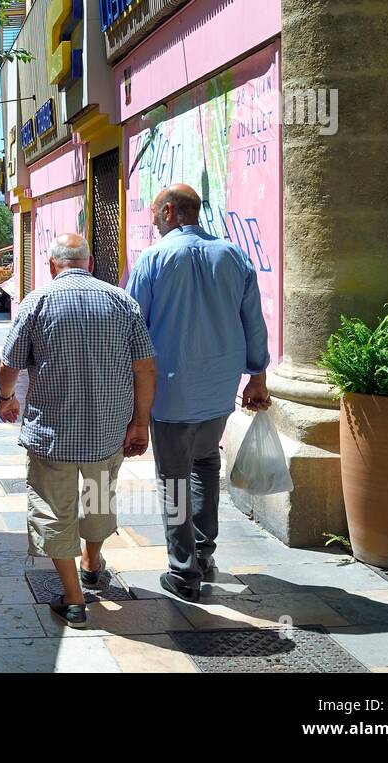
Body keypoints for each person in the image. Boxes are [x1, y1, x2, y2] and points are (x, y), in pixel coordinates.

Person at [0, 234, 156, 627]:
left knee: (53, 509)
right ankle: (91, 560)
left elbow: (9, 365)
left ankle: (73, 599)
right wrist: (140, 422)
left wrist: (6, 398)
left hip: (53, 433)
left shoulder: (37, 302)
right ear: (89, 263)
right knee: (98, 497)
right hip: (108, 431)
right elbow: (145, 368)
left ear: (52, 265)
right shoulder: (122, 302)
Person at [126, 183, 271, 602]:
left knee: (173, 478)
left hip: (170, 392)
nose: (154, 223)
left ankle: (183, 568)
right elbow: (253, 322)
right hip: (218, 389)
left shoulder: (154, 259)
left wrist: (127, 392)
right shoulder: (233, 255)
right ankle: (204, 554)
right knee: (206, 463)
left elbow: (133, 328)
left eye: (155, 215)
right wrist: (257, 375)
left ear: (170, 212)